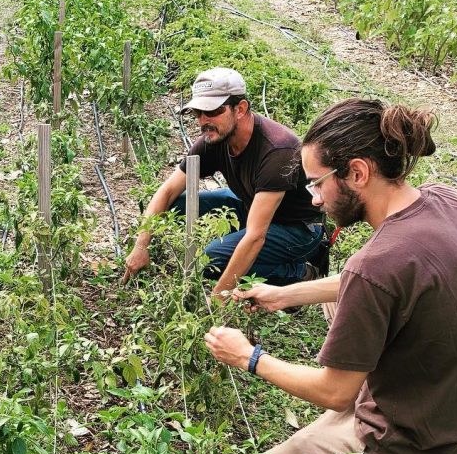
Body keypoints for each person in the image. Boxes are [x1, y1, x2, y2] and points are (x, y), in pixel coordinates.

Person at [204, 99, 457, 454]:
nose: (314, 198)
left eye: (318, 183)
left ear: (358, 173)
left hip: (417, 444)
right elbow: (379, 286)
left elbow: (335, 391)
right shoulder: (448, 203)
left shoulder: (376, 267)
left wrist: (248, 356)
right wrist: (286, 294)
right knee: (334, 298)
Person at [122, 67, 326, 293]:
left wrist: (219, 296)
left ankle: (300, 271)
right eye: (198, 113)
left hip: (297, 228)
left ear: (240, 109)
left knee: (211, 262)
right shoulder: (214, 138)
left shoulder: (277, 150)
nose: (203, 121)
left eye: (212, 111)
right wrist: (141, 246)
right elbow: (167, 191)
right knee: (175, 205)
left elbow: (256, 236)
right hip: (251, 204)